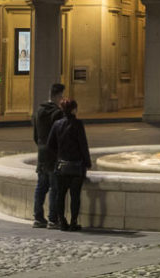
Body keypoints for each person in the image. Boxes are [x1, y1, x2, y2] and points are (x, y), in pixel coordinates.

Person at [48, 99, 92, 231]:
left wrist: (60, 154)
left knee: (60, 195)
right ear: (73, 109)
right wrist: (87, 162)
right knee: (75, 196)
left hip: (62, 165)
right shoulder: (78, 124)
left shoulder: (57, 124)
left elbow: (50, 144)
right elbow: (83, 144)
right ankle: (73, 222)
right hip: (76, 165)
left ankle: (62, 221)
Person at [31, 82, 64, 229]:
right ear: (58, 96)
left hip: (42, 153)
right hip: (54, 154)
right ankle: (53, 219)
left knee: (41, 186)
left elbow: (35, 134)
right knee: (54, 188)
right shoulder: (58, 113)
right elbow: (61, 135)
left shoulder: (39, 111)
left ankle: (38, 217)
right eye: (62, 96)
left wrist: (41, 145)